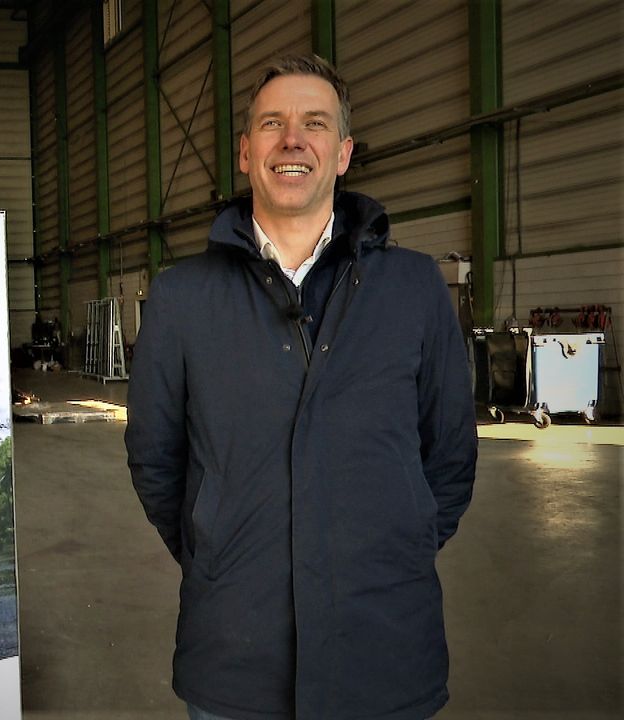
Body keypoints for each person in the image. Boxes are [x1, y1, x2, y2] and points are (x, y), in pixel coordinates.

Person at [125, 54, 477, 720]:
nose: (292, 140)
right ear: (245, 151)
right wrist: (216, 544)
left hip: (385, 650)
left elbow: (451, 454)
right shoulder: (182, 299)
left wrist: (393, 540)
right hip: (235, 657)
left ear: (342, 154)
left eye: (315, 124)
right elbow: (155, 458)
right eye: (272, 123)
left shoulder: (413, 289)